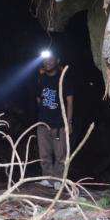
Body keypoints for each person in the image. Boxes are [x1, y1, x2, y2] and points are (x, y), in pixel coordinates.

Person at [35, 53, 74, 190]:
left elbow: (69, 101)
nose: (48, 62)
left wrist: (68, 122)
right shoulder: (41, 78)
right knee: (44, 153)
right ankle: (47, 178)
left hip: (59, 124)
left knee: (60, 154)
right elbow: (38, 97)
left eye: (51, 60)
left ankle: (58, 180)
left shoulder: (63, 79)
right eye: (45, 60)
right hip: (43, 122)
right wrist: (44, 113)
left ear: (57, 61)